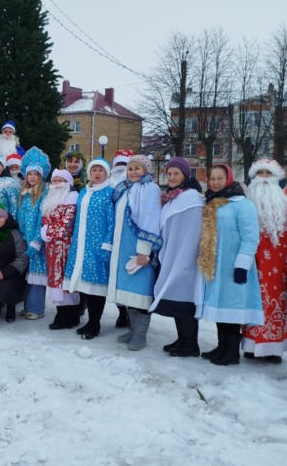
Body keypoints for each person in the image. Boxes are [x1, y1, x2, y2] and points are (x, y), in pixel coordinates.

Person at [241, 159, 287, 363]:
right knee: (251, 301)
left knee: (277, 304)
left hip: (280, 264)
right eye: (259, 172)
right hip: (252, 260)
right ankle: (251, 346)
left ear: (277, 176)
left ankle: (273, 349)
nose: (263, 177)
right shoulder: (247, 196)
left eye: (267, 173)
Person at [196, 164, 263, 366]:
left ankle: (232, 352)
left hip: (234, 266)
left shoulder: (243, 204)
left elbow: (251, 237)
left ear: (229, 179)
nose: (215, 182)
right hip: (217, 265)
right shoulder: (213, 202)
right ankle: (222, 346)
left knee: (233, 308)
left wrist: (242, 264)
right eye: (212, 178)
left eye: (220, 178)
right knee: (221, 308)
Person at [150, 157, 205, 358]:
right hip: (172, 254)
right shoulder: (173, 196)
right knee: (176, 300)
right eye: (169, 173)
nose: (172, 177)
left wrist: (185, 255)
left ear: (184, 176)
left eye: (176, 174)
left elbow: (192, 230)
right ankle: (183, 339)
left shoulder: (191, 198)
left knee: (185, 301)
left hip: (186, 258)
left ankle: (191, 344)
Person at [108, 155, 163, 351]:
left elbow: (149, 219)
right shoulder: (124, 189)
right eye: (130, 168)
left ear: (146, 170)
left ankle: (140, 335)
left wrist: (144, 251)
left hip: (139, 248)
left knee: (140, 291)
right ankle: (132, 330)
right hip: (124, 247)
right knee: (129, 292)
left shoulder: (149, 189)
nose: (133, 172)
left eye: (137, 168)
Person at [63, 157, 115, 340]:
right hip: (80, 245)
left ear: (106, 173)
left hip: (97, 246)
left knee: (96, 287)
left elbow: (112, 221)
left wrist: (107, 245)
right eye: (94, 170)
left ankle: (95, 323)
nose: (97, 174)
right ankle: (89, 321)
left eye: (101, 170)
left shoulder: (110, 192)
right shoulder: (84, 191)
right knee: (84, 284)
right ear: (89, 173)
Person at [41, 169, 81, 329]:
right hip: (51, 247)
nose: (56, 183)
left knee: (65, 281)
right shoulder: (50, 199)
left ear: (68, 183)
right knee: (55, 281)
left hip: (65, 248)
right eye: (54, 180)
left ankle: (69, 315)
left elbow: (67, 223)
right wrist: (45, 231)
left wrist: (47, 231)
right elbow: (45, 219)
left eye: (60, 180)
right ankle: (62, 312)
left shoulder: (72, 200)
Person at [16, 147, 52, 320]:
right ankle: (28, 305)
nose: (32, 177)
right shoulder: (23, 194)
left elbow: (43, 220)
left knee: (37, 276)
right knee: (28, 275)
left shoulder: (44, 194)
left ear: (40, 176)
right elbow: (19, 218)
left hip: (37, 243)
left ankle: (36, 308)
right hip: (24, 240)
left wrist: (36, 242)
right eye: (29, 174)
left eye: (35, 174)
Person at [107, 149, 135, 329]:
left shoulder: (134, 187)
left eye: (124, 165)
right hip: (111, 236)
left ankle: (131, 314)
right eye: (118, 164)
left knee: (129, 276)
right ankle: (121, 312)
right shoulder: (109, 185)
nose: (121, 168)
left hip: (129, 237)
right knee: (115, 277)